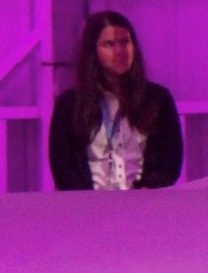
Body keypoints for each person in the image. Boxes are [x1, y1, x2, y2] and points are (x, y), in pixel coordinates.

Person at [48, 11, 183, 190]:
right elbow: (62, 167)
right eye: (109, 44)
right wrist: (85, 200)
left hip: (144, 200)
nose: (120, 51)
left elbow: (170, 161)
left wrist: (147, 189)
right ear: (93, 51)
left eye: (125, 42)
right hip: (88, 202)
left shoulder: (158, 99)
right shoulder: (70, 104)